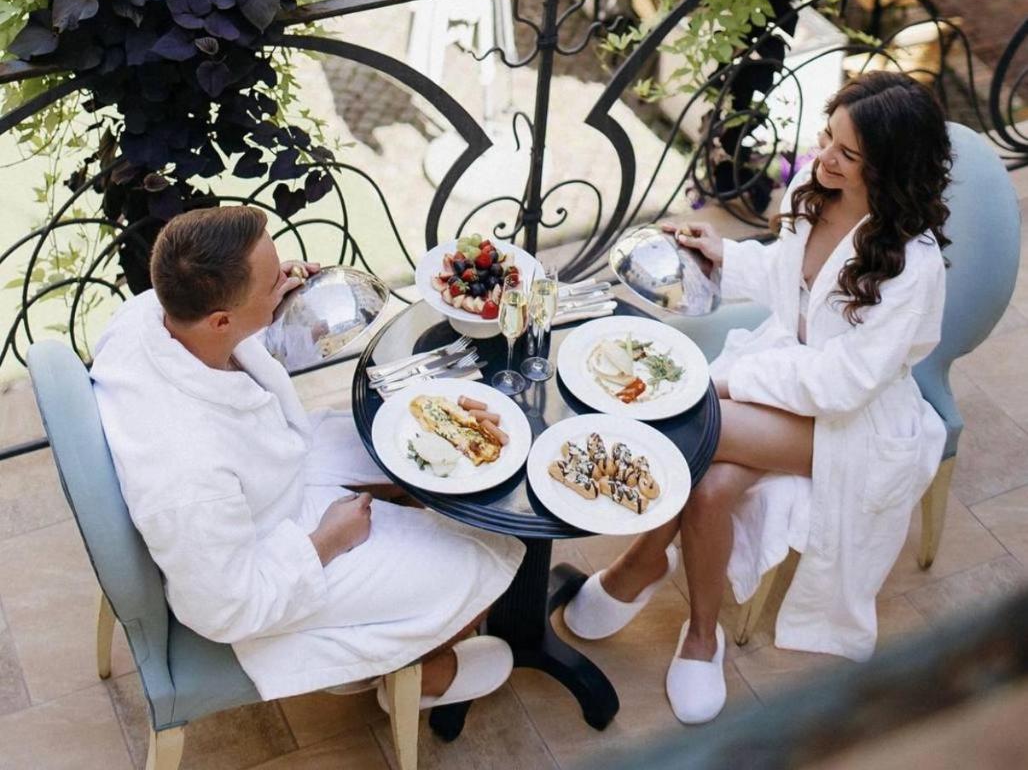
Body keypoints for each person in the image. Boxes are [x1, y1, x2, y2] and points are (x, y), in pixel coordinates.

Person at [563, 71, 951, 724]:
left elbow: (843, 384)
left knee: (691, 418)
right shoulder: (816, 190)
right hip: (789, 380)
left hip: (852, 421)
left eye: (848, 153)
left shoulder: (914, 265)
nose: (825, 157)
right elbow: (786, 278)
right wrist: (724, 254)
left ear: (890, 167)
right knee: (710, 486)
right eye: (827, 137)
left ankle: (644, 561)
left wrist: (730, 382)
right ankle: (699, 629)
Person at [91, 205, 523, 708]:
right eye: (274, 280)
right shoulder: (187, 476)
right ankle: (414, 673)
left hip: (271, 462)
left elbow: (238, 349)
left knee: (422, 436)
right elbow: (224, 609)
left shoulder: (151, 313)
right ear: (222, 319)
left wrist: (281, 308)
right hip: (271, 540)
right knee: (484, 557)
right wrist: (326, 542)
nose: (288, 279)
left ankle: (394, 618)